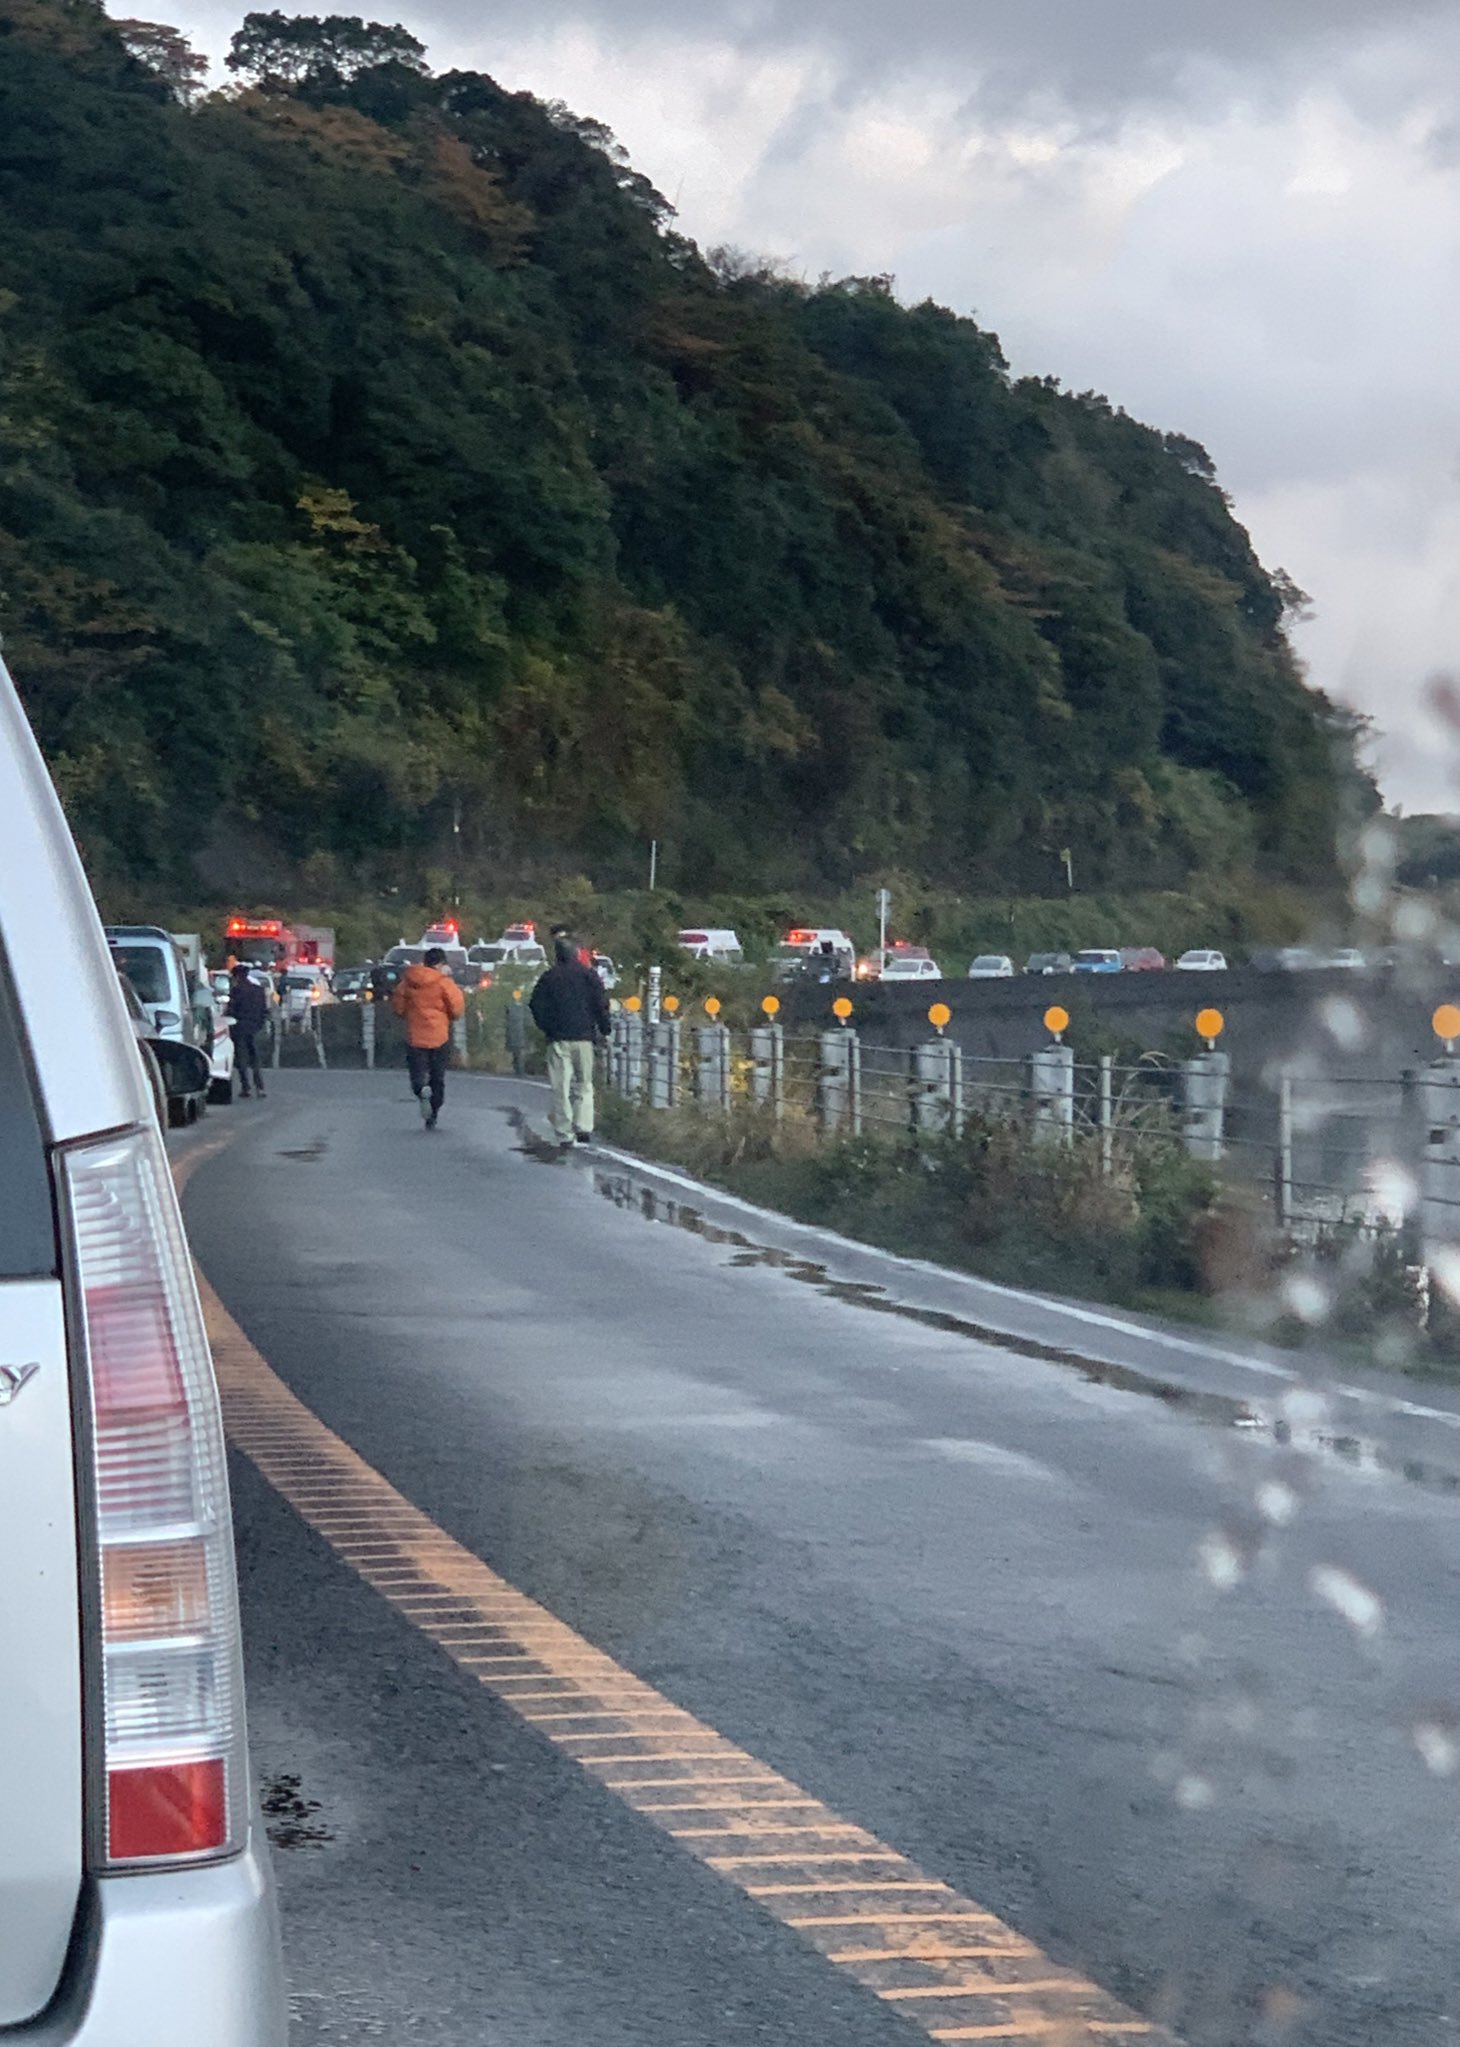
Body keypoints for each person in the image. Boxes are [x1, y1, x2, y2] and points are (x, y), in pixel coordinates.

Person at [529, 933, 611, 1145]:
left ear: (557, 955)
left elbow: (535, 1004)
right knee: (585, 1084)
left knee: (561, 1087)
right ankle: (583, 1127)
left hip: (558, 1039)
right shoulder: (589, 976)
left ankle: (564, 1132)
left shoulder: (549, 977)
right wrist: (605, 1028)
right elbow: (601, 1004)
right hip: (584, 1037)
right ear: (576, 953)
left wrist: (546, 1027)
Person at [391, 946, 466, 1129]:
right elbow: (457, 1008)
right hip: (439, 1036)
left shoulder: (407, 982)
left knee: (417, 1072)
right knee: (437, 1076)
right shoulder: (444, 983)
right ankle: (433, 1111)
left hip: (415, 1036)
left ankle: (420, 1089)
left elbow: (398, 1008)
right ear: (440, 963)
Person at [227, 963, 269, 1099]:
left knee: (241, 1059)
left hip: (239, 1028)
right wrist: (260, 1024)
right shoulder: (258, 990)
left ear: (237, 976)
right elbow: (264, 1010)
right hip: (256, 1028)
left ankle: (246, 1087)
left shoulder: (236, 991)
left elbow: (231, 1011)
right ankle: (260, 1087)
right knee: (255, 1059)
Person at [504, 986, 527, 1076]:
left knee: (516, 1052)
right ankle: (520, 1070)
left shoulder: (511, 1008)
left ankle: (518, 1069)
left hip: (514, 1034)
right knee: (519, 1053)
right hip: (520, 1034)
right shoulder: (523, 1008)